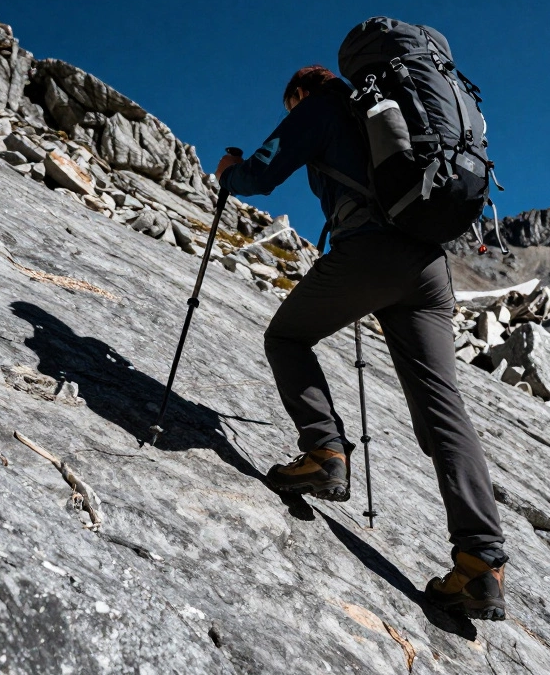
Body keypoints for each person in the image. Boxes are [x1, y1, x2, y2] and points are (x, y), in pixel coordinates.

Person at [215, 65, 508, 621]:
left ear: (299, 93)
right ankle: (481, 562)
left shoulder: (319, 109)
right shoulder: (389, 113)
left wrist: (230, 172)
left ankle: (325, 452)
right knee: (443, 410)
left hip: (368, 254)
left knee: (287, 337)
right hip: (428, 268)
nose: (289, 112)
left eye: (289, 104)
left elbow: (260, 174)